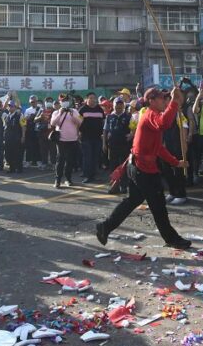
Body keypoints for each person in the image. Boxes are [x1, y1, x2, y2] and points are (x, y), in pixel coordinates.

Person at [96, 87, 192, 249]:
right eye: (162, 99)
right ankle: (172, 239)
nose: (164, 101)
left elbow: (159, 148)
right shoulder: (150, 115)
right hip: (143, 169)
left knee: (133, 201)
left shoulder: (151, 115)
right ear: (152, 101)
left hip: (138, 166)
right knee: (158, 205)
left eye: (165, 98)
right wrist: (175, 104)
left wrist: (176, 162)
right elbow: (164, 124)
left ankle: (105, 226)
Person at [50, 94, 82, 188]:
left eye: (66, 100)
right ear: (60, 102)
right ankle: (58, 180)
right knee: (60, 160)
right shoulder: (56, 112)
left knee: (70, 161)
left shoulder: (75, 111)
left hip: (73, 139)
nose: (65, 102)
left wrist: (72, 114)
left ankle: (68, 179)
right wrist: (60, 113)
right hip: (61, 140)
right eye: (63, 101)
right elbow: (52, 123)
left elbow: (80, 121)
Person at [104, 96, 133, 193]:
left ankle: (123, 186)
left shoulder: (128, 117)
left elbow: (134, 129)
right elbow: (105, 130)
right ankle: (114, 186)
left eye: (121, 105)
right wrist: (104, 143)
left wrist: (131, 135)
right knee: (113, 166)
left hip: (124, 145)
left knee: (123, 166)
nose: (119, 107)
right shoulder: (109, 117)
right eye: (117, 104)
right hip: (112, 145)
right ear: (114, 105)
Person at [78, 92, 105, 183]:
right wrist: (78, 133)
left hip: (97, 137)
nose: (93, 100)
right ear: (86, 99)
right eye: (90, 98)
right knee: (87, 157)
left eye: (94, 98)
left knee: (95, 157)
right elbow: (78, 123)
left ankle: (94, 175)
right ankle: (87, 176)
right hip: (86, 137)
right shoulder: (82, 110)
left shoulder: (100, 109)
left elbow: (103, 122)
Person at [3, 100, 25, 174]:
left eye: (11, 106)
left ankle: (19, 168)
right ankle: (11, 168)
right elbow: (5, 126)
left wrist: (23, 136)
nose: (10, 107)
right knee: (9, 153)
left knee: (18, 153)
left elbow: (24, 126)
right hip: (8, 137)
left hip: (17, 137)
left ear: (15, 107)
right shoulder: (7, 116)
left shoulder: (20, 114)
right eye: (9, 106)